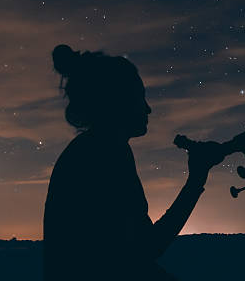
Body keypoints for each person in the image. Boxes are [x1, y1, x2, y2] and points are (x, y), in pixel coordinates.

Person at [43, 44, 225, 281]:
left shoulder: (95, 149)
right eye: (140, 98)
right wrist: (196, 180)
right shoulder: (105, 154)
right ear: (117, 102)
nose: (148, 109)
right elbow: (146, 248)